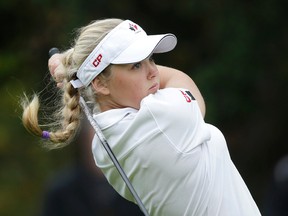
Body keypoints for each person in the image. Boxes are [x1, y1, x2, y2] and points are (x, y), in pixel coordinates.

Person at [22, 18, 261, 215]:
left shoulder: (102, 146)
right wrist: (76, 68)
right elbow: (185, 83)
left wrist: (78, 70)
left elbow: (151, 80)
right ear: (100, 84)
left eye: (151, 59)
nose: (153, 72)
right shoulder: (161, 117)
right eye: (136, 65)